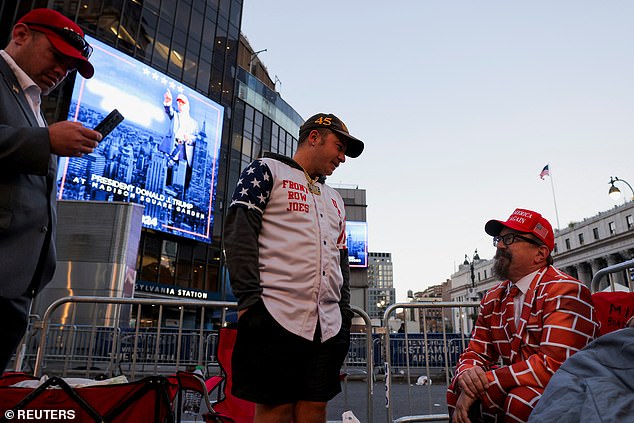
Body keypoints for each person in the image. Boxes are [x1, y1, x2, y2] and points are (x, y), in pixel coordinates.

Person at [223, 113, 364, 423]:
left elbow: (341, 259)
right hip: (275, 315)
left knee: (315, 408)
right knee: (276, 410)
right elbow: (238, 233)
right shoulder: (265, 170)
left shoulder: (334, 198)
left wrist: (343, 313)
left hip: (326, 325)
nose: (342, 158)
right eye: (339, 147)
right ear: (314, 138)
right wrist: (249, 302)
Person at [0, 8, 101, 374]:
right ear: (22, 34)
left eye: (70, 66)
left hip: (17, 286)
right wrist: (45, 140)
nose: (61, 70)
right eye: (57, 55)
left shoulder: (33, 102)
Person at [447, 208, 599, 423]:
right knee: (458, 388)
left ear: (540, 253)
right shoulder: (493, 297)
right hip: (520, 382)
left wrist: (487, 381)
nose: (500, 245)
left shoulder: (565, 289)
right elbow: (475, 351)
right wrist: (468, 374)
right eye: (499, 239)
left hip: (571, 387)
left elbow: (554, 364)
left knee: (521, 400)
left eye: (510, 238)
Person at [160, 89, 198, 189]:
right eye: (179, 103)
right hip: (173, 146)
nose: (180, 105)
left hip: (184, 150)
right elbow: (169, 111)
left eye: (182, 103)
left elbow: (196, 139)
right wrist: (168, 102)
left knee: (181, 172)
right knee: (168, 169)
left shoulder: (193, 123)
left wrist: (189, 138)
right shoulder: (175, 115)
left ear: (187, 105)